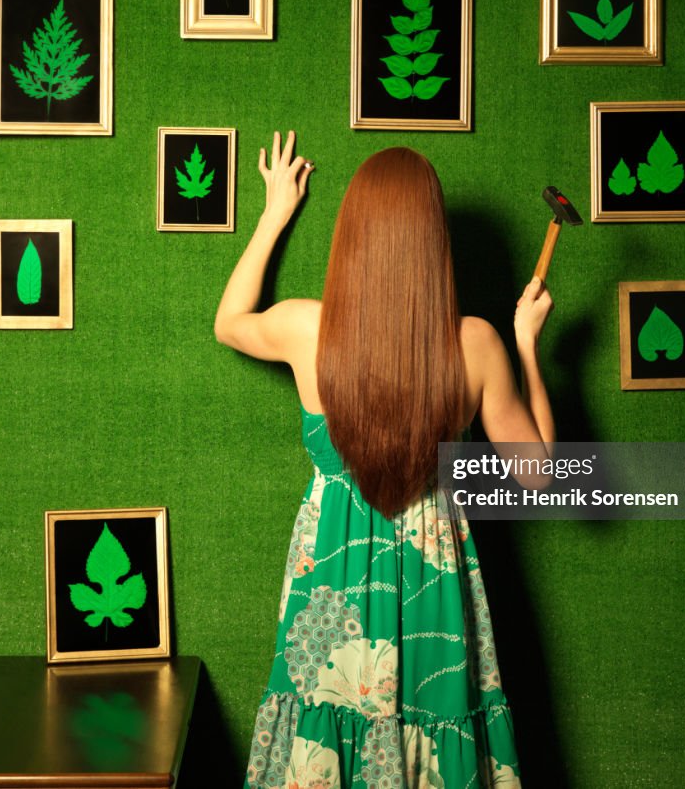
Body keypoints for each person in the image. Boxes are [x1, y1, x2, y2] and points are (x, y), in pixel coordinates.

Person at [216, 131, 555, 789]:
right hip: (434, 578)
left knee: (328, 717)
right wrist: (528, 345)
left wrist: (274, 212)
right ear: (434, 241)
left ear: (352, 235)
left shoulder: (305, 328)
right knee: (438, 715)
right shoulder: (477, 343)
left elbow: (230, 320)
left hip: (332, 573)